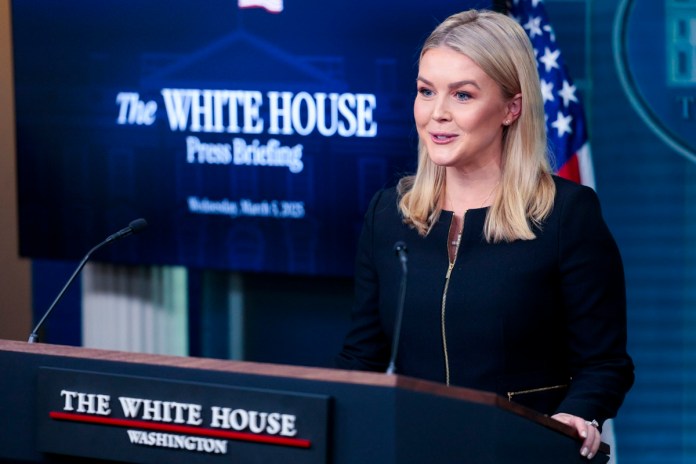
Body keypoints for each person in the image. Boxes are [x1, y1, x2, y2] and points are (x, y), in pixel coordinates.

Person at [336, 9, 634, 461]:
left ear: (511, 108)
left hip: (522, 452)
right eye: (426, 91)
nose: (437, 113)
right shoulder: (388, 214)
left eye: (462, 95)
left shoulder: (567, 214)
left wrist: (579, 414)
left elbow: (604, 364)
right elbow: (361, 360)